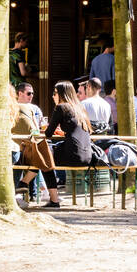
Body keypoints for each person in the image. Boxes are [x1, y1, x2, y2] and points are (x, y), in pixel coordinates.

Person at [38, 80, 92, 208]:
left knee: (44, 158)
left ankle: (54, 199)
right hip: (87, 155)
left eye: (55, 93)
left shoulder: (61, 107)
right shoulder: (80, 108)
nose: (53, 96)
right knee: (46, 155)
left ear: (62, 94)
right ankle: (24, 184)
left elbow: (48, 133)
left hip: (73, 154)